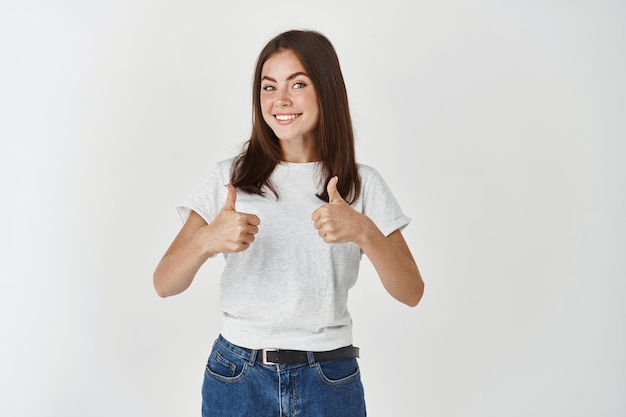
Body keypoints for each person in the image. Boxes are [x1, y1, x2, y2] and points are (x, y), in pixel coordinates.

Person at [153, 29, 424, 417]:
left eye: (297, 84)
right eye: (268, 86)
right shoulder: (228, 178)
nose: (280, 100)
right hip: (238, 375)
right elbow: (164, 283)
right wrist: (206, 241)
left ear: (326, 91)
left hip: (330, 376)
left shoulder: (362, 184)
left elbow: (411, 291)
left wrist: (363, 230)